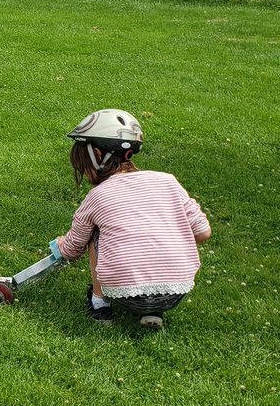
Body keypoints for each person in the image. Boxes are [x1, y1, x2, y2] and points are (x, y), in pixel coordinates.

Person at [54, 108, 211, 329]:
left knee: (95, 232)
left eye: (83, 164)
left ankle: (100, 305)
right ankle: (153, 311)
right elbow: (203, 232)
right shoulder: (168, 182)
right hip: (176, 292)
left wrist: (61, 244)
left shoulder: (97, 196)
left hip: (123, 294)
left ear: (98, 155)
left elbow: (72, 248)